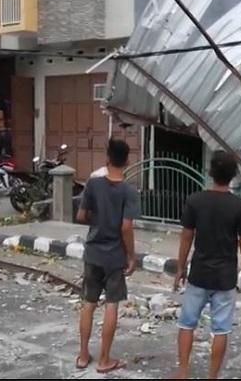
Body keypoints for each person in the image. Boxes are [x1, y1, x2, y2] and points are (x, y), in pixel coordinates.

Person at [173, 150, 241, 379]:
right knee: (221, 329)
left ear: (211, 173)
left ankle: (182, 372)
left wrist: (180, 268)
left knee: (187, 323)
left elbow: (186, 237)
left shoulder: (195, 200)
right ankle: (212, 377)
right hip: (225, 278)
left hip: (199, 274)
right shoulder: (240, 206)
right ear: (233, 176)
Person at [75, 138, 139, 374]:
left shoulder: (92, 184)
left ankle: (83, 355)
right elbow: (126, 227)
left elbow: (81, 216)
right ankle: (104, 360)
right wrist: (132, 256)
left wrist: (99, 222)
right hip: (114, 256)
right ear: (127, 161)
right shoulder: (129, 191)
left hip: (92, 253)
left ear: (107, 158)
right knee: (111, 305)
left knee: (88, 303)